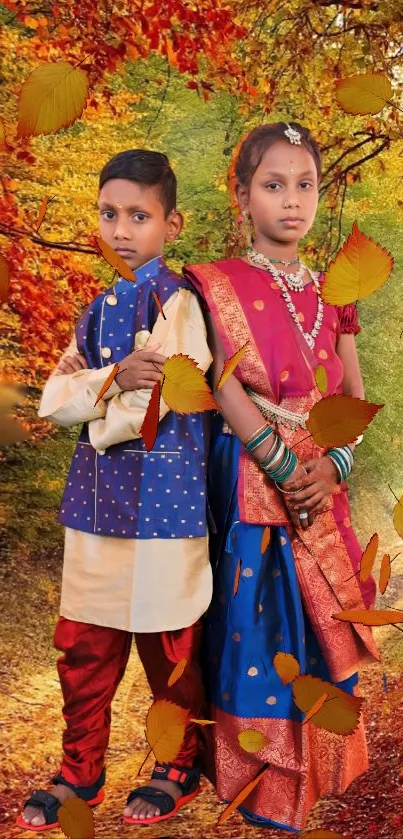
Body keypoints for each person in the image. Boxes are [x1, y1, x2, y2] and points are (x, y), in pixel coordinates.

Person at [183, 122, 380, 832]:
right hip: (253, 476)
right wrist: (277, 458)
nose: (291, 201)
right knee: (256, 625)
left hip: (319, 486)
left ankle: (316, 778)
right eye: (273, 185)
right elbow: (220, 379)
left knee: (316, 629)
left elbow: (352, 395)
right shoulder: (214, 285)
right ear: (242, 198)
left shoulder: (335, 293)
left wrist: (329, 466)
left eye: (305, 185)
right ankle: (260, 788)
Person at [17, 150, 213, 831]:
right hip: (94, 503)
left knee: (170, 643)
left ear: (170, 223)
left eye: (138, 215)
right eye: (109, 214)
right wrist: (108, 380)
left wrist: (94, 404)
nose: (121, 229)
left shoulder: (180, 303)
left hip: (166, 500)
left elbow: (157, 397)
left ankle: (175, 764)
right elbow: (52, 397)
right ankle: (80, 771)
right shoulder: (94, 311)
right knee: (84, 643)